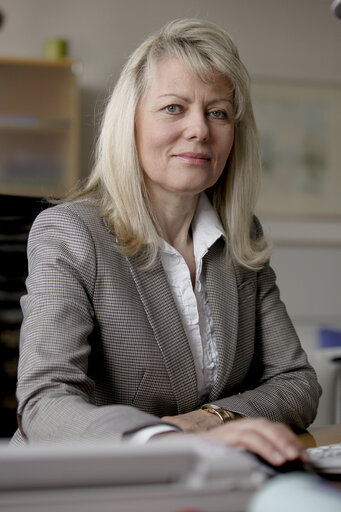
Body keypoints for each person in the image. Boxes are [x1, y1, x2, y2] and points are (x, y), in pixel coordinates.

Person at [12, 18, 321, 466]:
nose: (199, 129)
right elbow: (42, 401)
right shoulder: (71, 234)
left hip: (206, 482)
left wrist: (212, 420)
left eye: (217, 112)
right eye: (174, 108)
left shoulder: (240, 237)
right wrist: (157, 441)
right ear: (130, 121)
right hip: (88, 485)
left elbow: (296, 382)